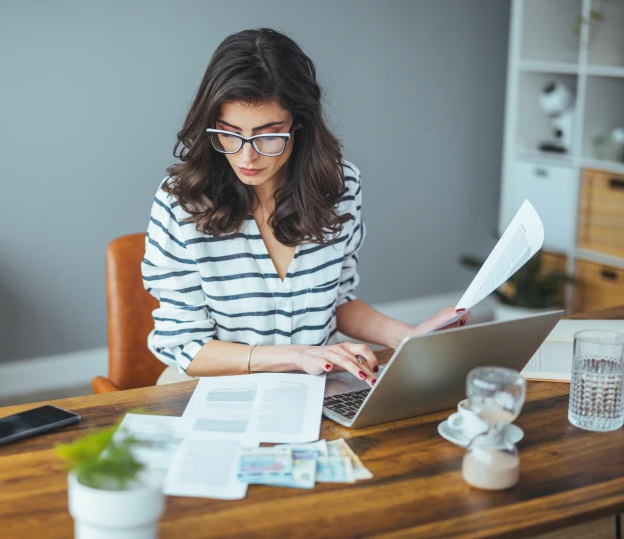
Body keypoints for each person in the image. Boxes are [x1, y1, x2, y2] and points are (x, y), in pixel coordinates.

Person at [142, 28, 469, 386]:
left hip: (312, 384)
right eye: (230, 133)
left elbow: (338, 301)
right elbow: (188, 347)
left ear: (300, 122)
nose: (246, 155)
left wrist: (407, 337)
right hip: (212, 386)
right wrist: (297, 356)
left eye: (268, 134)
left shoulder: (339, 187)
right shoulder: (181, 202)